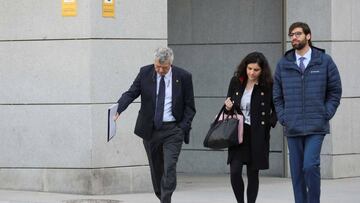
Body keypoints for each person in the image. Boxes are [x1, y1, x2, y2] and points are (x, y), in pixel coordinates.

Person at [114, 47, 196, 203]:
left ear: (170, 64)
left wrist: (182, 128)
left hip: (173, 130)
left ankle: (166, 199)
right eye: (157, 66)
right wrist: (118, 108)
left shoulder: (183, 76)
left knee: (169, 166)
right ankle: (162, 197)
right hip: (151, 130)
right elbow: (131, 92)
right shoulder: (145, 72)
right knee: (156, 169)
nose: (159, 70)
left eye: (164, 68)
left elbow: (190, 106)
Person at [273, 22, 342, 203]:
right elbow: (277, 95)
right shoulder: (283, 64)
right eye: (291, 35)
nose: (294, 38)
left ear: (308, 36)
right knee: (297, 173)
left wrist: (325, 113)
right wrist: (283, 116)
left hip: (316, 125)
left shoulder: (324, 61)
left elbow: (335, 91)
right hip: (293, 125)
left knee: (310, 166)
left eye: (297, 34)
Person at [224, 52, 277, 203]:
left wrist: (269, 123)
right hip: (238, 133)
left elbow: (277, 107)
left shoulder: (268, 85)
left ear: (262, 70)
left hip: (258, 134)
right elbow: (229, 103)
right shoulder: (236, 81)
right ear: (245, 67)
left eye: (256, 70)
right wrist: (228, 107)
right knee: (235, 172)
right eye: (249, 68)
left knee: (253, 174)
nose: (252, 73)